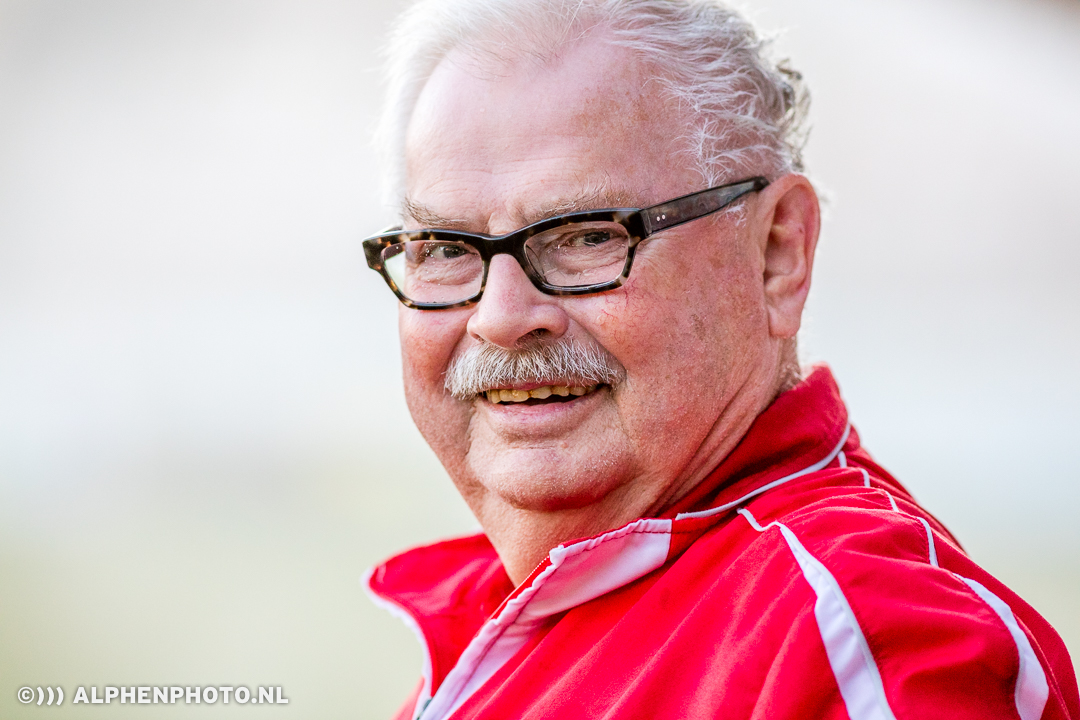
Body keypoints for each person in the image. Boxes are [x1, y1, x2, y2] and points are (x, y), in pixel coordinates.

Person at [360, 0, 1079, 718]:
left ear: (776, 255)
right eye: (446, 249)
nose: (501, 317)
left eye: (587, 236)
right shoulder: (513, 620)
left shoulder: (861, 645)